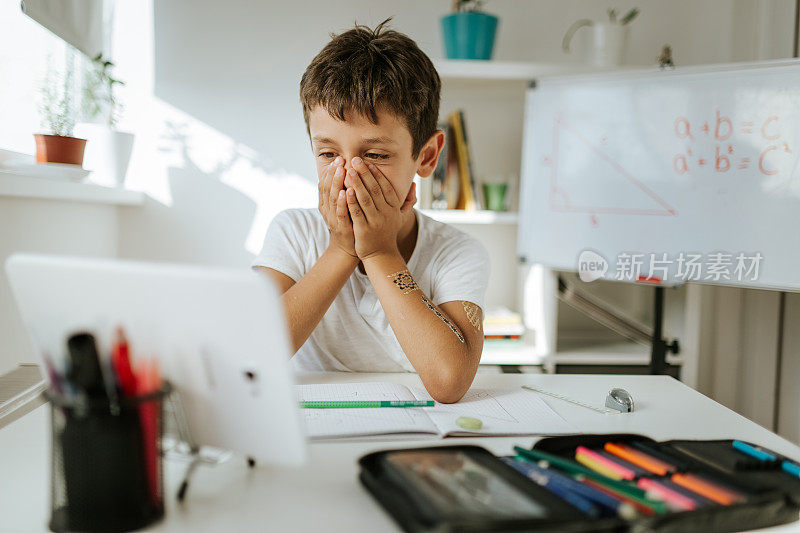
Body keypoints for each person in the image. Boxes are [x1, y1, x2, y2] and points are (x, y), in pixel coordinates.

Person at [253, 19, 490, 403]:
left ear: (426, 156)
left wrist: (380, 253)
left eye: (375, 155)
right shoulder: (293, 233)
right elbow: (249, 354)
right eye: (328, 153)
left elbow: (449, 381)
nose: (348, 174)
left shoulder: (458, 252)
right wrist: (342, 250)